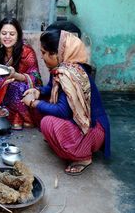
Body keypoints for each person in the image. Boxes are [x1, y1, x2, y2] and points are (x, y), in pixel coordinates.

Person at [22, 30, 110, 175]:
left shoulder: (69, 75)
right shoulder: (61, 68)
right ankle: (65, 141)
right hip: (81, 123)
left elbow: (62, 110)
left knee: (48, 122)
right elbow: (50, 88)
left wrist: (33, 103)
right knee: (40, 101)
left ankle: (83, 157)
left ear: (57, 54)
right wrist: (37, 91)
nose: (42, 57)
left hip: (92, 129)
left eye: (44, 53)